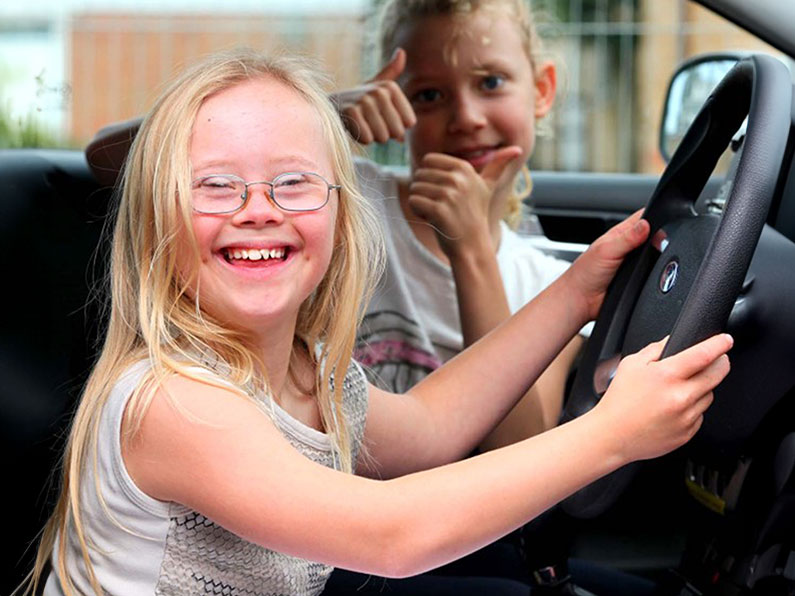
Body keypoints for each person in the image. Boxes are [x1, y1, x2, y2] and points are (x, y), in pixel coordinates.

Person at [26, 47, 732, 596]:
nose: (258, 207)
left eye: (293, 181)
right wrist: (609, 434)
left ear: (339, 209)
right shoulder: (175, 403)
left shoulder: (306, 371)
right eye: (215, 185)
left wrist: (577, 294)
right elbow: (394, 536)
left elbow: (430, 429)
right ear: (157, 221)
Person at [337, 0, 582, 454]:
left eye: (491, 82)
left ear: (542, 89)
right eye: (429, 95)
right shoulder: (351, 200)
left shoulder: (548, 285)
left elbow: (518, 450)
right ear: (394, 104)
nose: (467, 117)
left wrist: (470, 251)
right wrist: (320, 122)